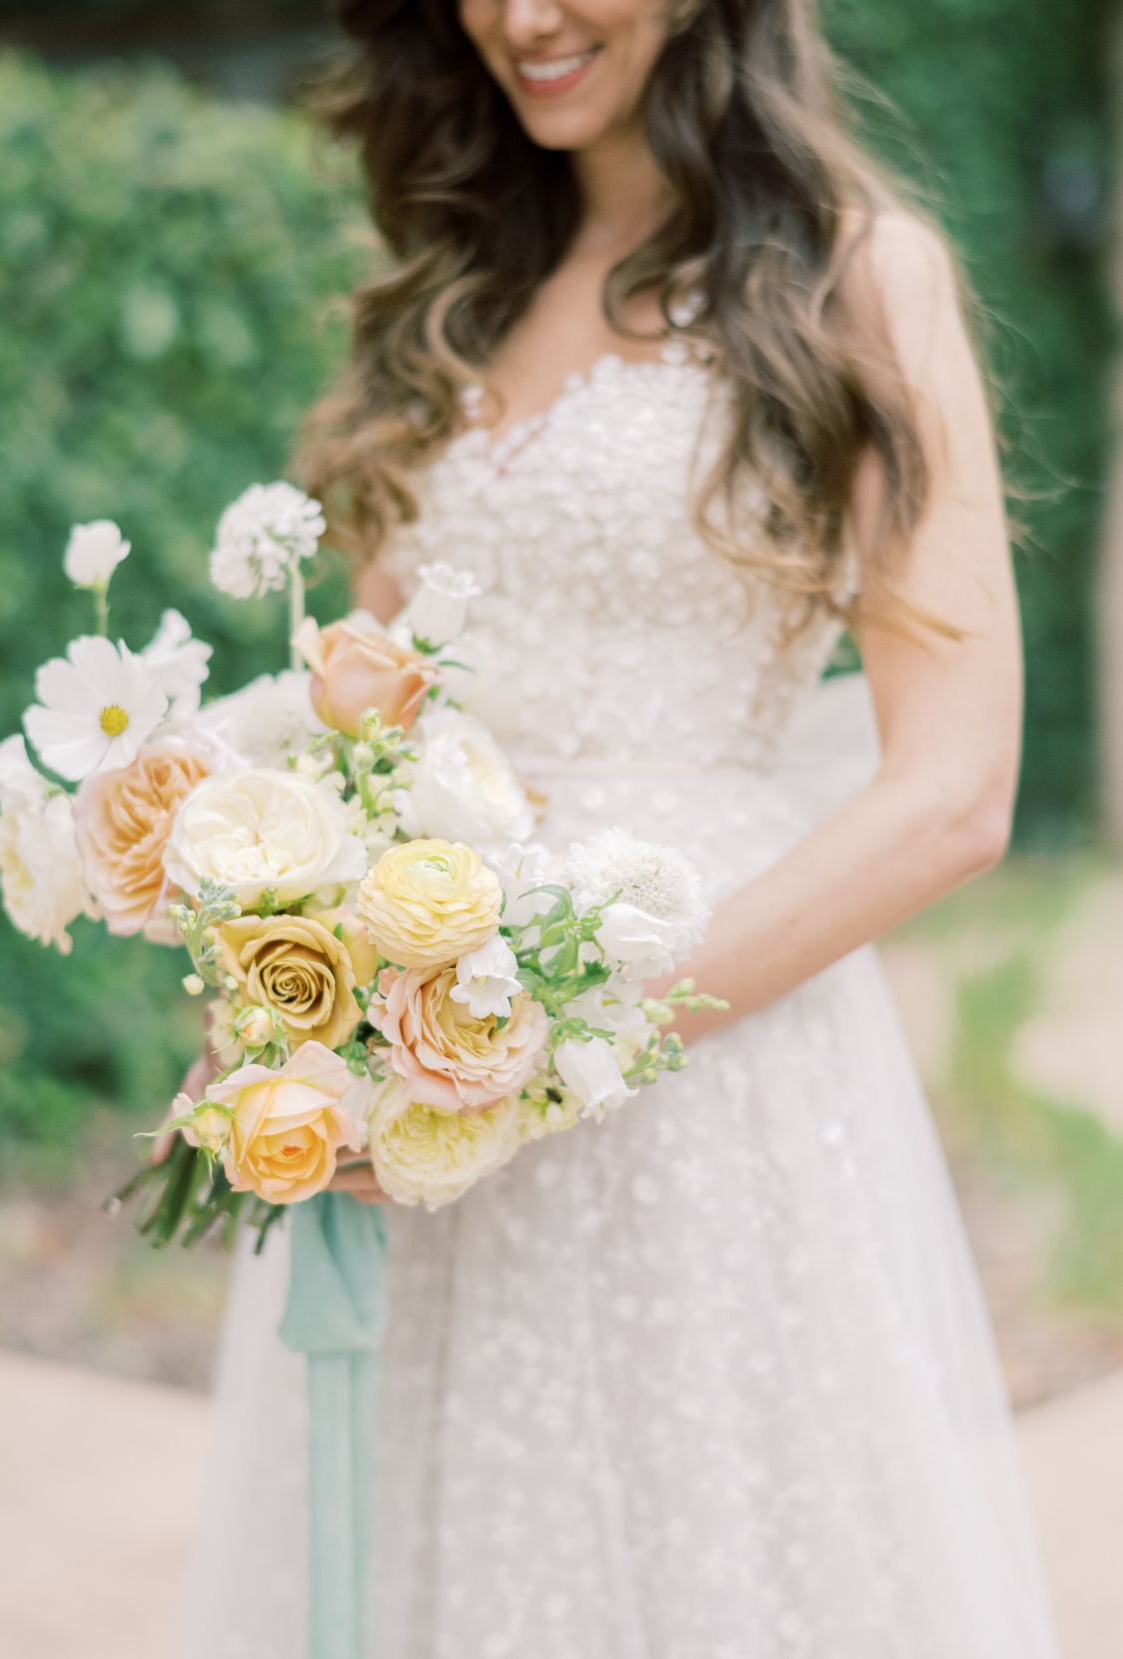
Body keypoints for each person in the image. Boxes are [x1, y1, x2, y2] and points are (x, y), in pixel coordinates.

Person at [174, 1, 1065, 1654]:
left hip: (702, 1077)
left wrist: (553, 1043)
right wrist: (271, 960)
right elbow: (369, 705)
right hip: (421, 1076)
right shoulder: (455, 290)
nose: (521, 16)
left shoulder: (863, 280)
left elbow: (954, 795)